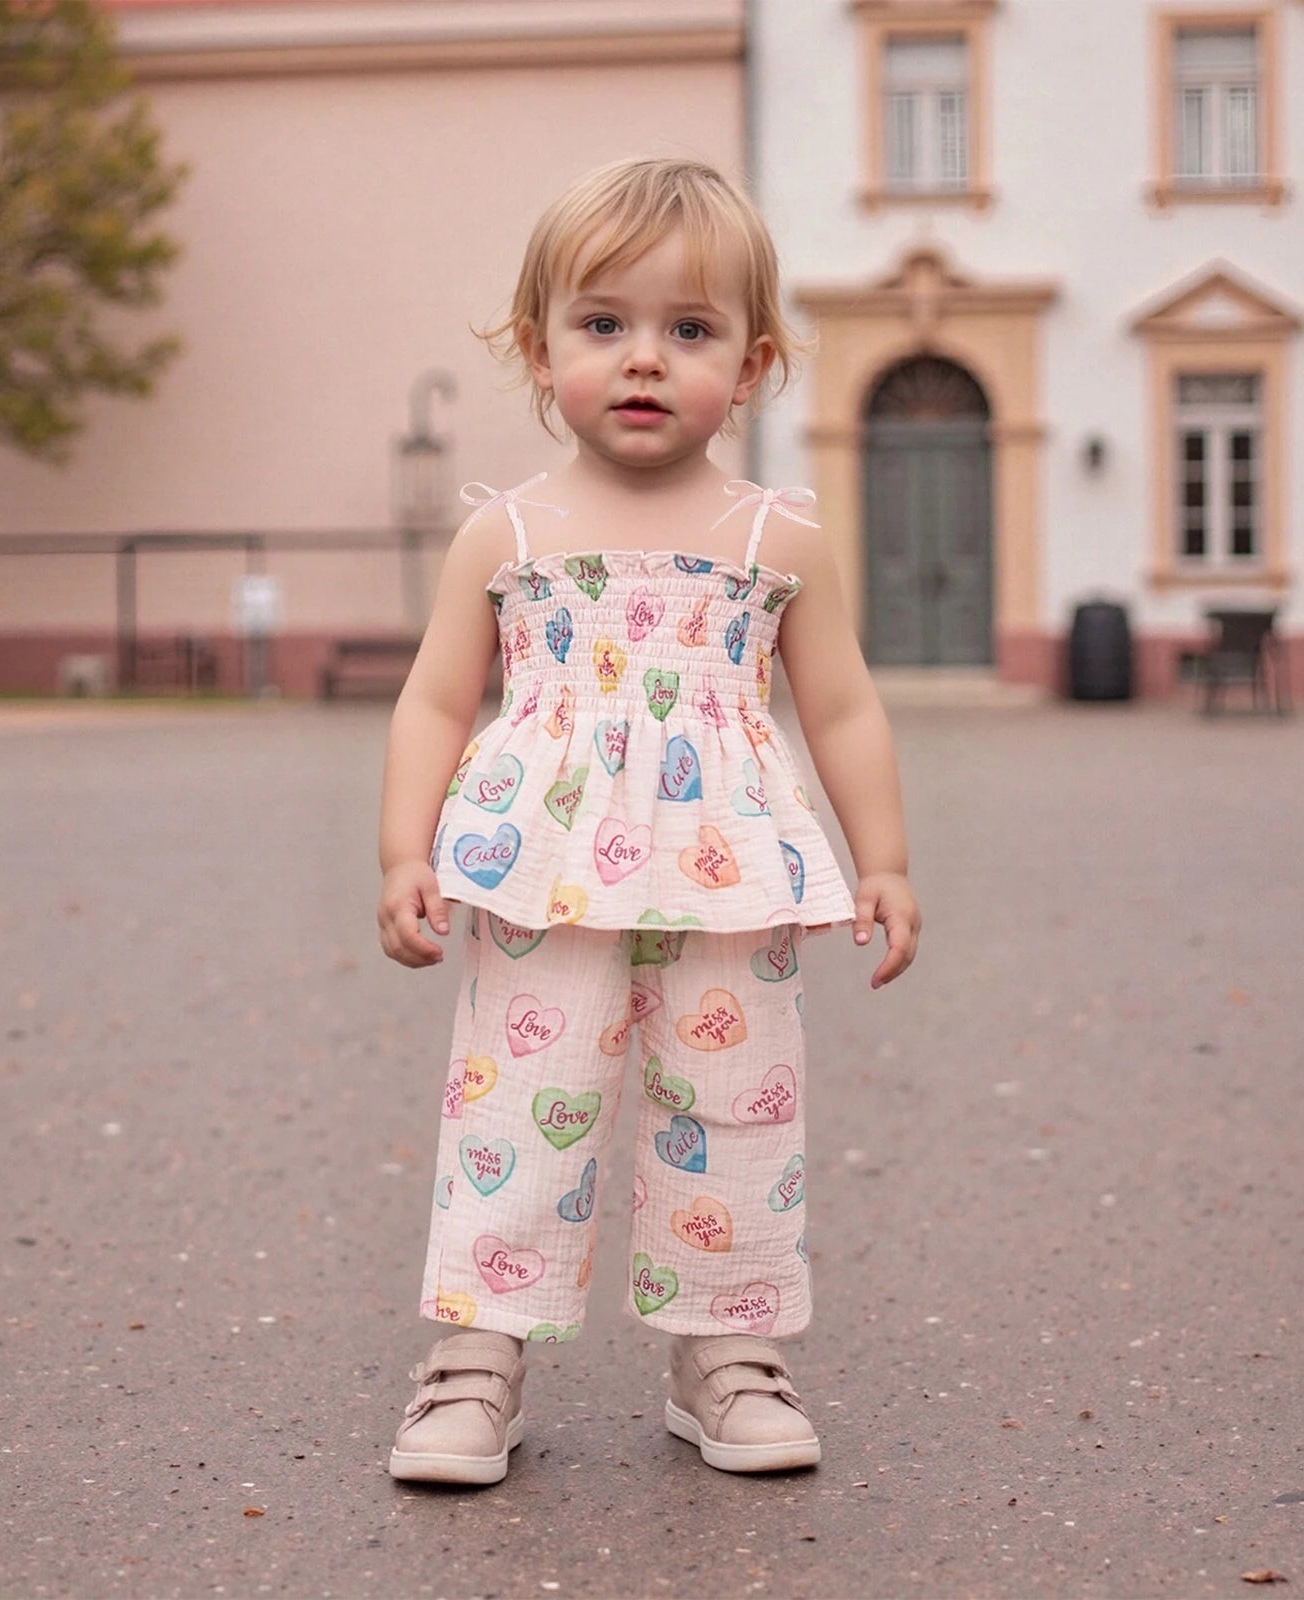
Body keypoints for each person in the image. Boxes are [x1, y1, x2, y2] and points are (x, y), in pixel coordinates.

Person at [375, 157, 920, 1485]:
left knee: (734, 1109)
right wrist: (405, 849)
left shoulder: (775, 537)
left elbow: (841, 706)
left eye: (690, 331)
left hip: (732, 874)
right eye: (603, 324)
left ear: (752, 365)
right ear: (536, 345)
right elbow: (436, 698)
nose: (643, 360)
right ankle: (475, 1360)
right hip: (541, 870)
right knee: (519, 1110)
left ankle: (726, 1354)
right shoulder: (504, 535)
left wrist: (883, 860)